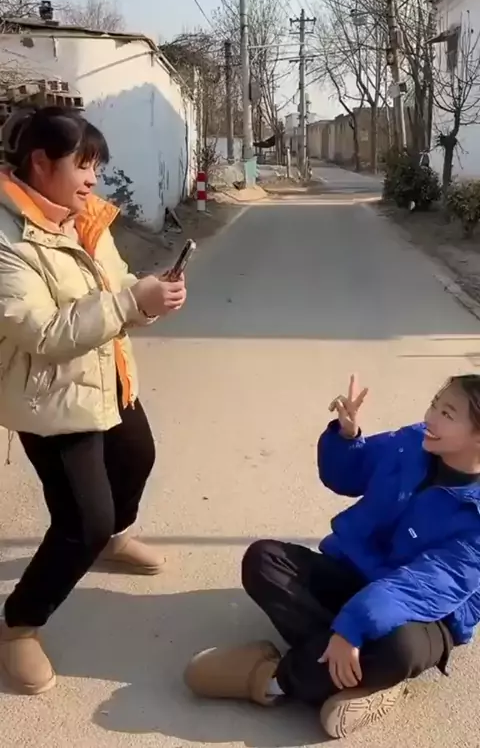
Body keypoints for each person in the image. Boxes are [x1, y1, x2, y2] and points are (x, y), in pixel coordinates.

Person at [0, 106, 187, 695]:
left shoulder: (83, 220)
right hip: (50, 398)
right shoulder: (7, 239)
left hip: (109, 375)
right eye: (84, 166)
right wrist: (132, 304)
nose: (93, 180)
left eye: (97, 168)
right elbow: (42, 333)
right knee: (83, 520)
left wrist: (150, 297)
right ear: (40, 162)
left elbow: (117, 286)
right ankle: (19, 624)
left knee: (137, 456)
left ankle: (114, 538)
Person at [184, 374, 480, 738]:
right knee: (265, 560)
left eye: (447, 414)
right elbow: (346, 475)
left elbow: (420, 587)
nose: (431, 417)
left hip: (426, 614)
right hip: (358, 572)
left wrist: (352, 626)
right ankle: (363, 676)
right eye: (435, 404)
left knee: (399, 650)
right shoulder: (412, 442)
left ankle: (272, 679)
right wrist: (347, 437)